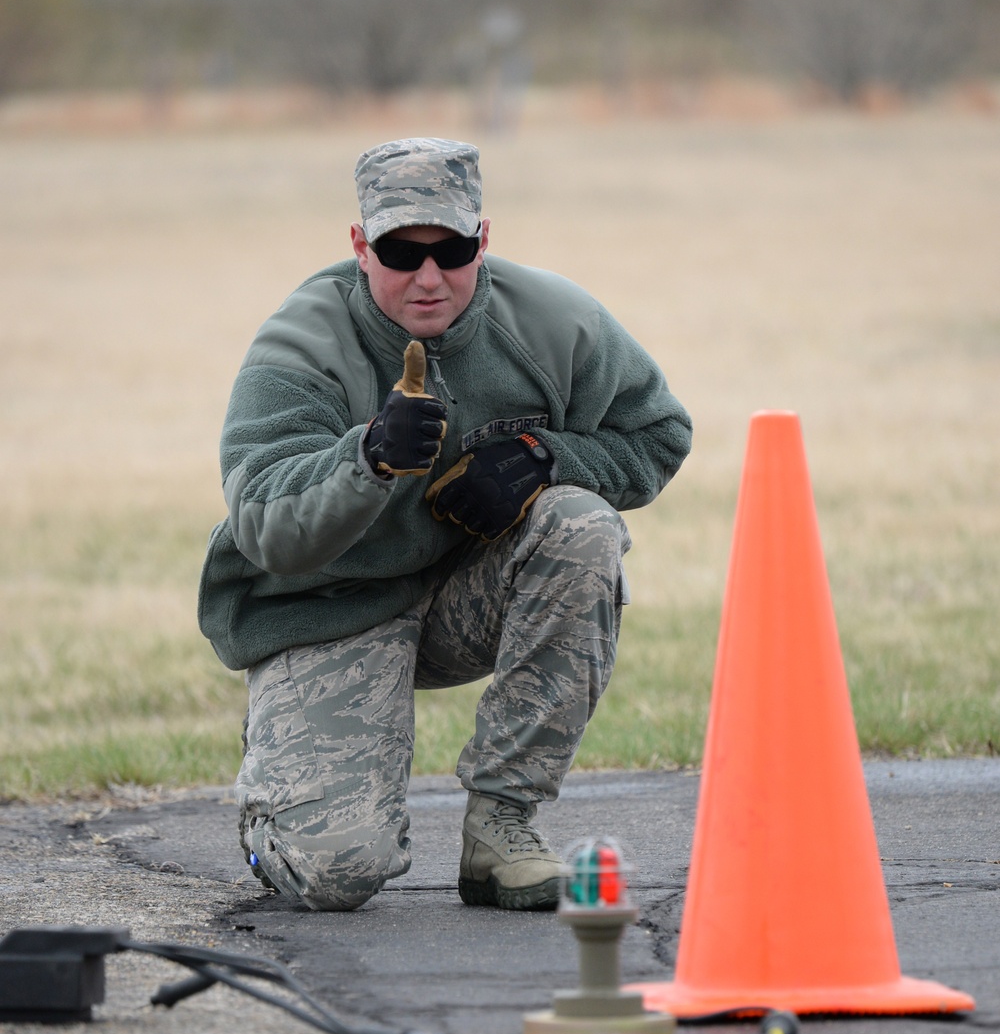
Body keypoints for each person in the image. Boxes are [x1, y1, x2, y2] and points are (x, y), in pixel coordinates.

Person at [198, 136, 691, 912]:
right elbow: (263, 525)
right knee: (331, 878)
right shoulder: (300, 345)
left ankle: (502, 825)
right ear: (360, 247)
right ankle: (277, 809)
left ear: (483, 240)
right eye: (400, 251)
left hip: (464, 593)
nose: (428, 277)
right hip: (328, 608)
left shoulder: (556, 321)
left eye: (452, 250)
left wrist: (545, 456)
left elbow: (659, 435)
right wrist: (365, 461)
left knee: (581, 525)